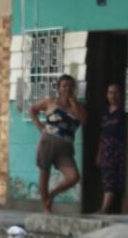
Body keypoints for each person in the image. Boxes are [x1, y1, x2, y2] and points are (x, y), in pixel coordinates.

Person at [29, 74, 87, 213]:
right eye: (64, 86)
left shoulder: (78, 107)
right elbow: (32, 109)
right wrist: (40, 126)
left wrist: (73, 103)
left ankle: (52, 195)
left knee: (73, 177)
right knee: (44, 173)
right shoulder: (50, 102)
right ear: (59, 88)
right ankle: (46, 207)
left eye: (70, 86)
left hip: (66, 147)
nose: (67, 88)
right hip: (47, 141)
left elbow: (84, 120)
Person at [96, 84, 126, 214]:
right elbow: (102, 134)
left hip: (118, 149)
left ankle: (108, 208)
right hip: (107, 150)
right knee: (107, 178)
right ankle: (105, 208)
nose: (113, 96)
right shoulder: (105, 113)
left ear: (120, 94)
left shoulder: (123, 112)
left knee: (117, 179)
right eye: (110, 93)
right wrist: (99, 153)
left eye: (116, 92)